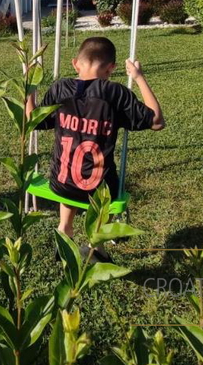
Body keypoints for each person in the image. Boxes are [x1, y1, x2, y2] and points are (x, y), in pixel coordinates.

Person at [27, 36, 165, 255]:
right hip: (98, 191)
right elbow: (157, 122)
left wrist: (30, 86)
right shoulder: (114, 94)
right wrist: (139, 77)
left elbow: (32, 121)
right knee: (103, 180)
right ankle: (96, 245)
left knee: (70, 170)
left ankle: (64, 229)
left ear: (75, 63)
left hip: (60, 184)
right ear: (111, 69)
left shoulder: (61, 88)